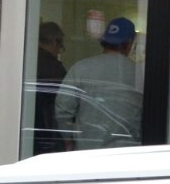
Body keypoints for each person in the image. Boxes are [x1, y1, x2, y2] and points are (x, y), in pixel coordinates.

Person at [57, 16, 144, 149]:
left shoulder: (82, 67)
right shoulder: (139, 74)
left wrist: (68, 140)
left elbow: (63, 109)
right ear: (130, 43)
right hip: (127, 152)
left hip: (87, 151)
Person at [32, 20, 67, 154]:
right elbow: (65, 103)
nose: (59, 50)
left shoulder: (28, 59)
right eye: (60, 45)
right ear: (54, 41)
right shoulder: (54, 68)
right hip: (47, 132)